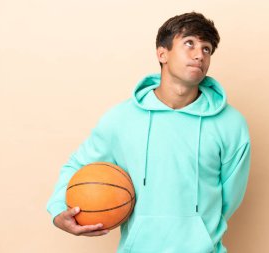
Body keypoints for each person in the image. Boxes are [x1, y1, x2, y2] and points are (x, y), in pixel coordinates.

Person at [47, 12, 251, 253]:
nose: (199, 55)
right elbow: (78, 166)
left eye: (207, 49)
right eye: (189, 44)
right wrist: (60, 208)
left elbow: (229, 199)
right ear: (162, 53)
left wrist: (199, 235)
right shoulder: (121, 119)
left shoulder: (230, 124)